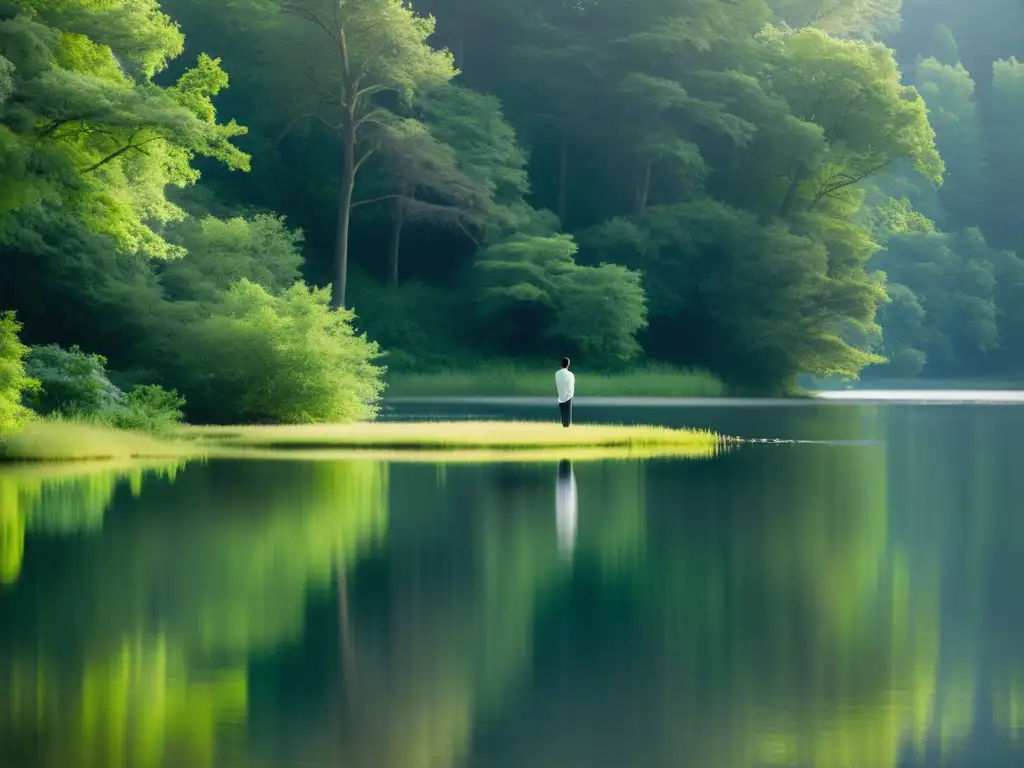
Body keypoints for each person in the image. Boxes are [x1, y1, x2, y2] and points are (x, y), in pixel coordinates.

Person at [555, 357, 575, 427]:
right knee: (568, 413)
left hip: (560, 395)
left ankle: (564, 424)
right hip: (568, 396)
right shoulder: (570, 374)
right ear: (568, 365)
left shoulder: (557, 373)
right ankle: (567, 425)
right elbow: (571, 385)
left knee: (563, 412)